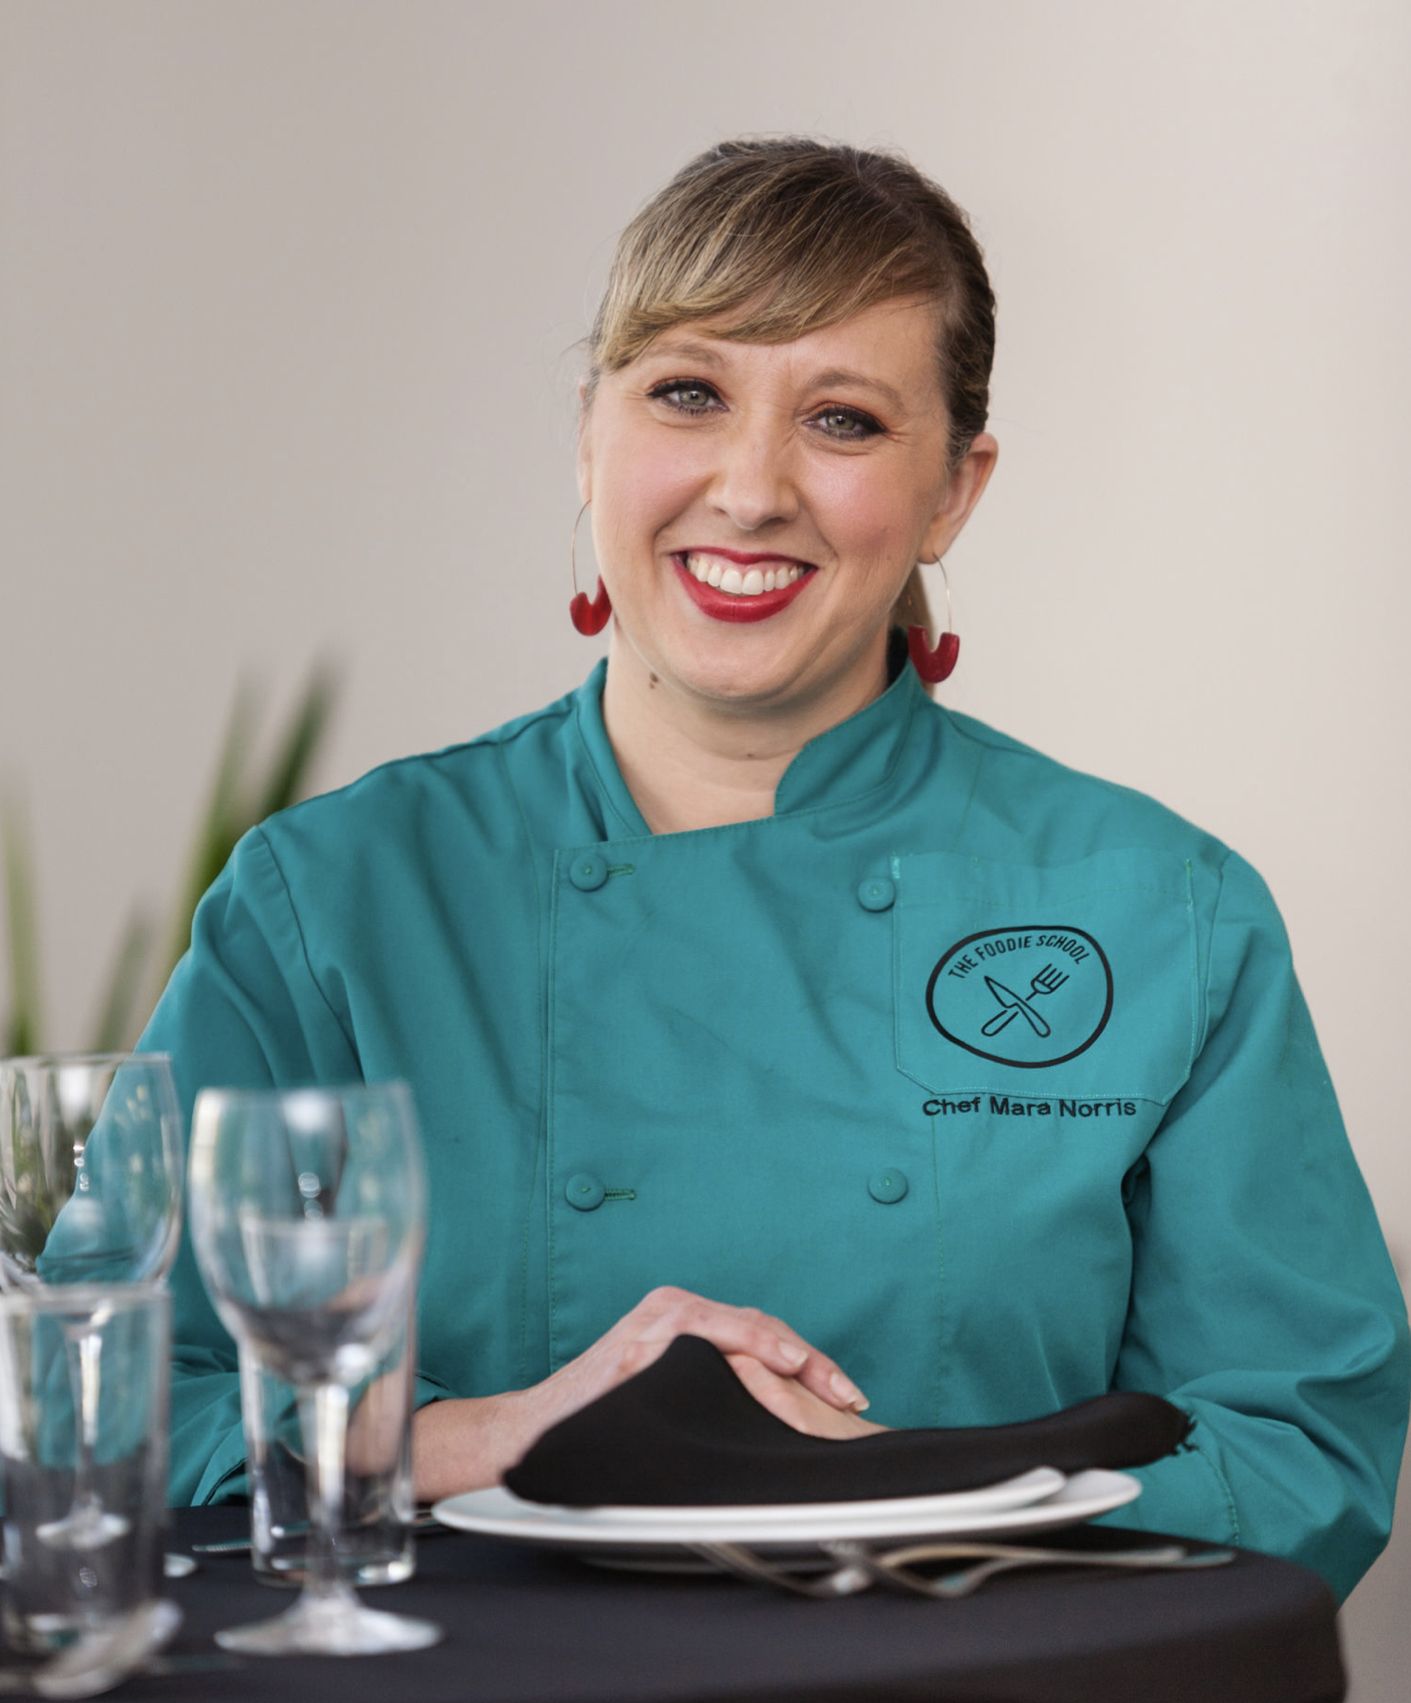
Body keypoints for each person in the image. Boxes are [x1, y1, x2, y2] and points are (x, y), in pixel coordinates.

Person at [137, 135, 1408, 1603]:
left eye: (845, 421)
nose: (749, 490)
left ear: (954, 492)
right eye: (688, 393)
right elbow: (120, 1399)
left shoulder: (1161, 911)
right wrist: (508, 1433)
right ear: (589, 435)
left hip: (979, 1699)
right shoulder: (336, 902)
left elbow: (1305, 1445)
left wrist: (898, 1494)